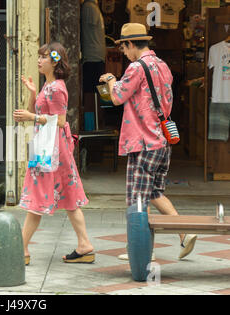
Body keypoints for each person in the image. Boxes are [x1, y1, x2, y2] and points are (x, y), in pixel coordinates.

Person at [99, 23, 196, 260]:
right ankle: (185, 233)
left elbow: (117, 96)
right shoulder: (163, 66)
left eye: (123, 47)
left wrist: (112, 79)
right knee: (153, 193)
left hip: (143, 142)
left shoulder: (136, 67)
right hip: (161, 140)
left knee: (136, 199)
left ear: (131, 44)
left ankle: (142, 252)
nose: (122, 51)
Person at [13, 42, 94, 266]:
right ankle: (84, 245)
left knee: (39, 197)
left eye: (44, 57)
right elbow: (38, 111)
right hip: (49, 147)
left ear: (55, 61)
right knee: (68, 196)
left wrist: (30, 117)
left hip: (51, 150)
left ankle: (21, 249)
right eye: (39, 57)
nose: (39, 60)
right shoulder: (48, 86)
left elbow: (59, 121)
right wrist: (32, 94)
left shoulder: (57, 88)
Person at [81, 0, 106, 130]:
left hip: (92, 55)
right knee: (93, 92)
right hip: (94, 55)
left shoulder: (89, 7)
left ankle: (92, 124)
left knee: (91, 92)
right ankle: (93, 124)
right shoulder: (90, 7)